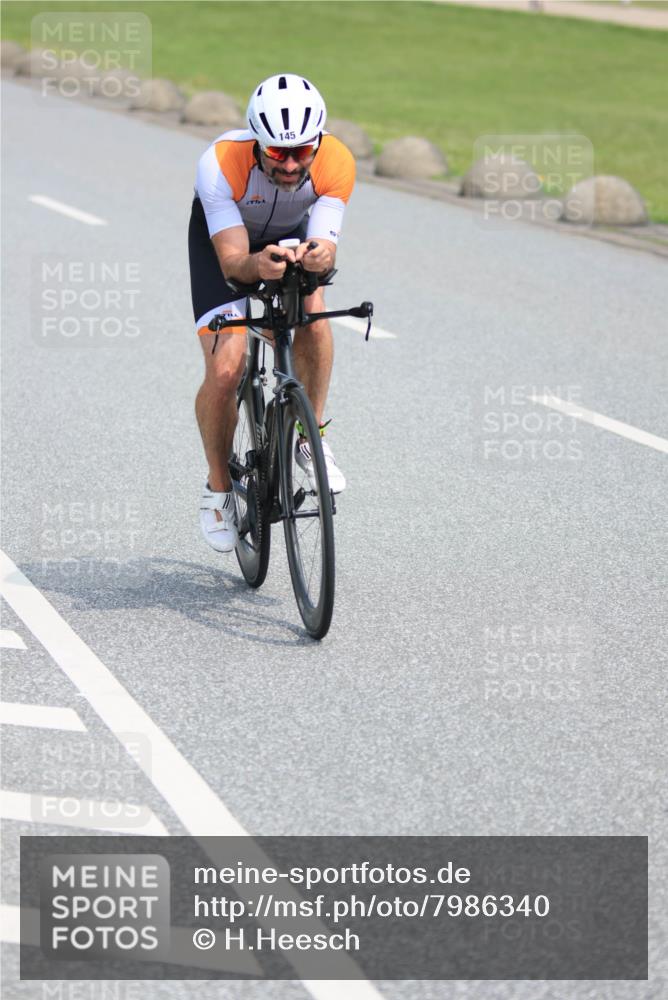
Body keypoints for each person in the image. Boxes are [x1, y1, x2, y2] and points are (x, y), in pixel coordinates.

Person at [189, 73, 356, 553]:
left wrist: (320, 256)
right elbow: (234, 264)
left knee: (313, 307)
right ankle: (218, 488)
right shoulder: (221, 163)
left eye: (302, 151)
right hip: (227, 243)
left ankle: (311, 434)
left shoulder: (337, 162)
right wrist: (255, 267)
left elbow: (324, 241)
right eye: (277, 153)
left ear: (318, 143)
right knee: (225, 369)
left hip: (289, 236)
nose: (290, 163)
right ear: (257, 142)